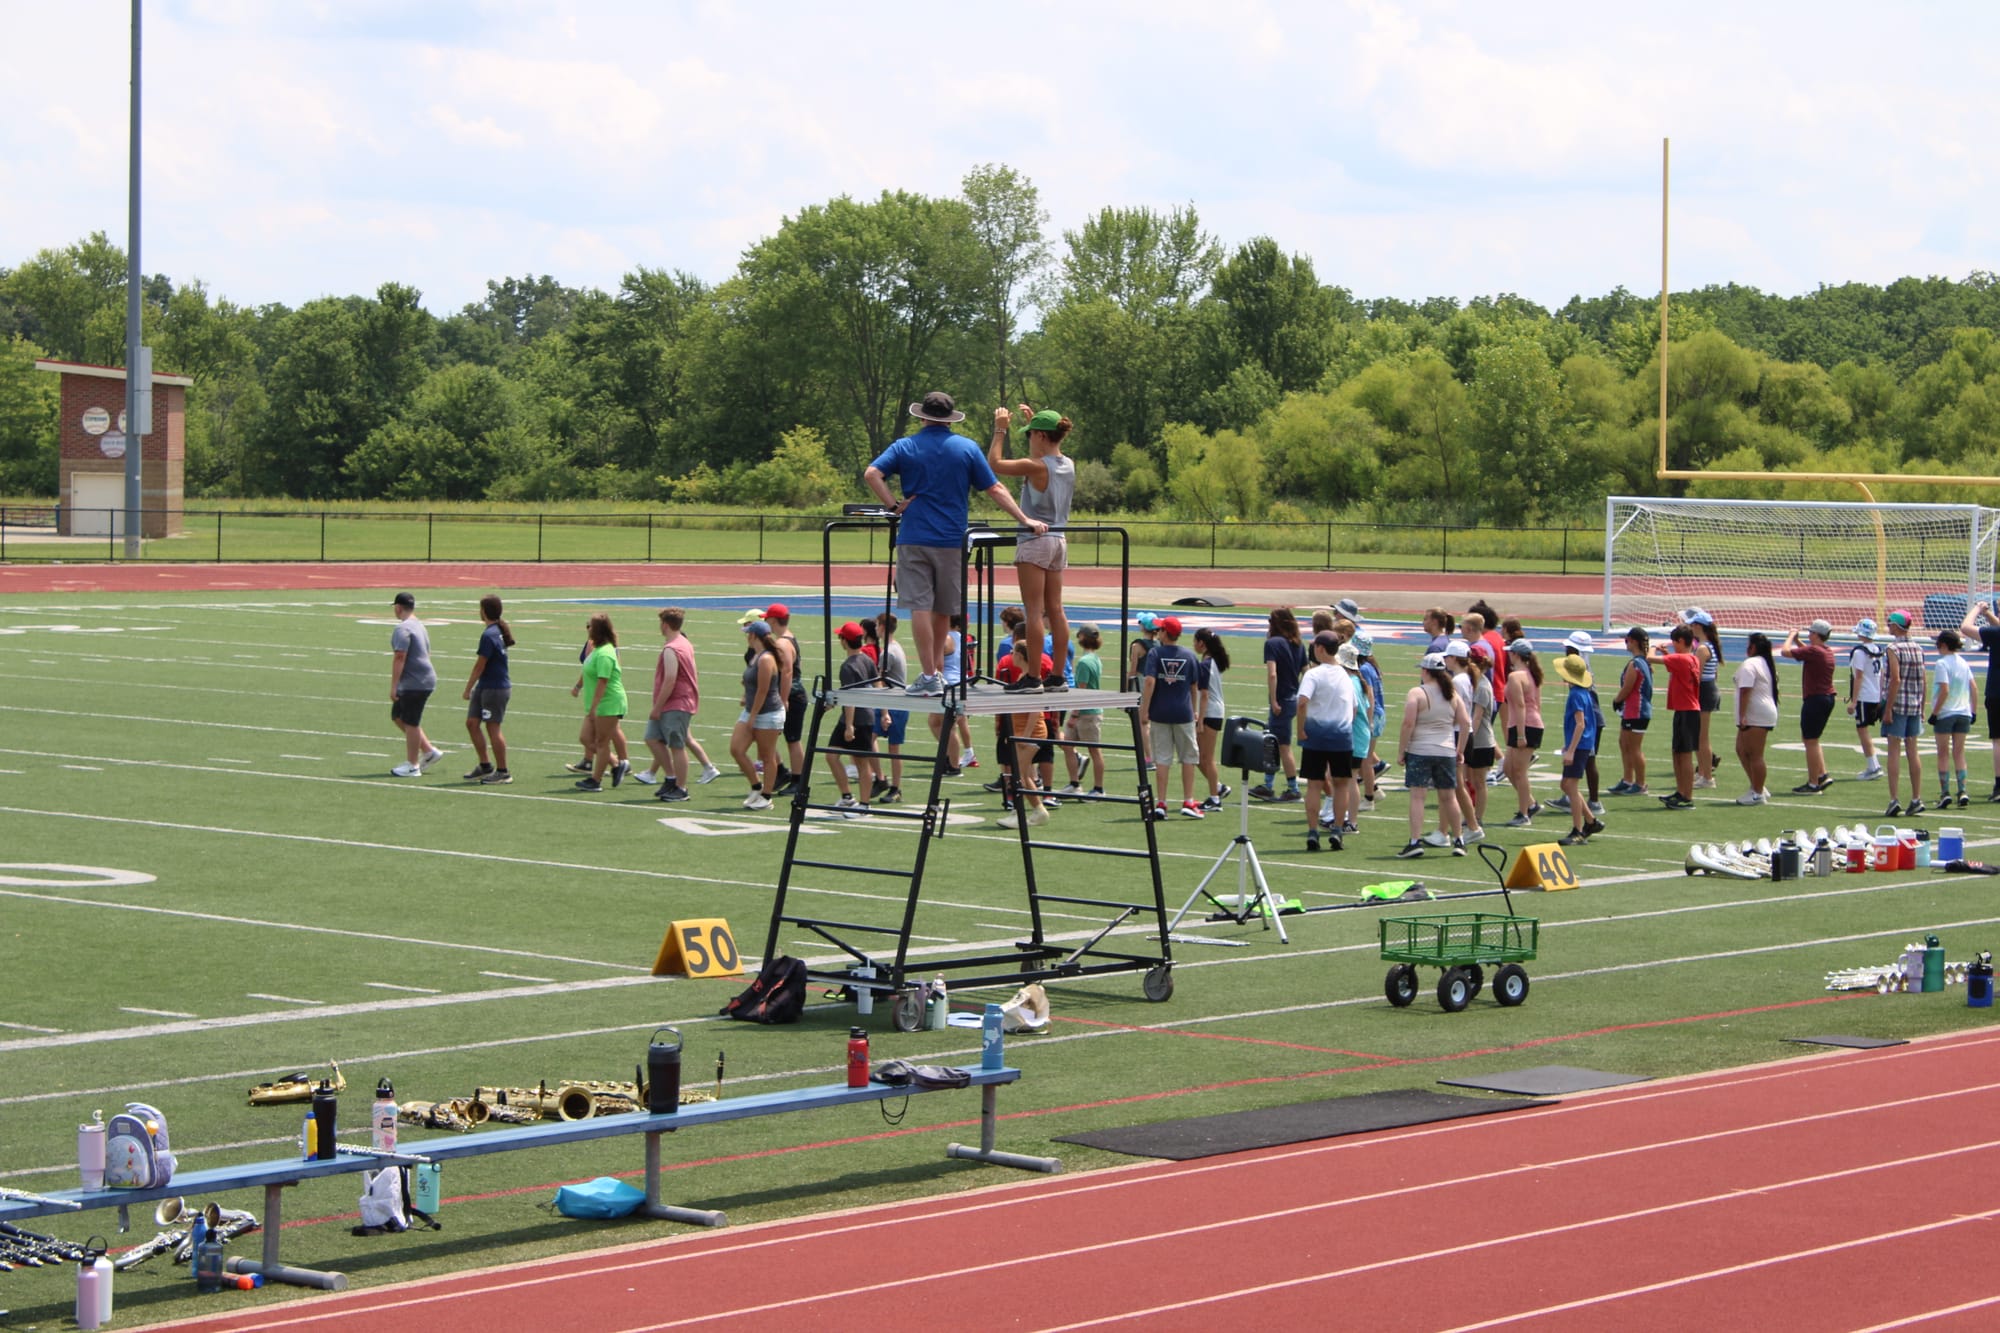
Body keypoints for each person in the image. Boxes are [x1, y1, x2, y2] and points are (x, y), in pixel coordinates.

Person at [864, 391, 1047, 696]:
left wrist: (894, 505)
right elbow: (995, 487)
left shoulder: (906, 445)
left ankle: (928, 674)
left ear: (922, 416)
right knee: (943, 610)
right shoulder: (966, 447)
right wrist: (1024, 517)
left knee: (919, 607)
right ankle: (935, 671)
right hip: (952, 538)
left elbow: (872, 473)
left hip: (915, 536)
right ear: (950, 419)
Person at [988, 405, 1075, 694]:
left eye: (1031, 435)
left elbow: (995, 464)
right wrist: (1035, 424)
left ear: (1040, 436)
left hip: (1034, 540)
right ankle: (1058, 676)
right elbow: (1047, 453)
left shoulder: (1035, 465)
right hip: (1059, 540)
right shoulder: (1068, 463)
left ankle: (1034, 676)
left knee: (1034, 612)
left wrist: (1000, 428)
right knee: (1056, 610)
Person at [1396, 653, 1471, 858]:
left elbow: (1408, 723)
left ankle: (1414, 841)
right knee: (1448, 797)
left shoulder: (1417, 693)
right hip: (1445, 750)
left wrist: (1402, 750)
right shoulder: (1452, 694)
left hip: (1420, 750)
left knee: (1418, 797)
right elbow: (1465, 723)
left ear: (1426, 671)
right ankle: (1459, 840)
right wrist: (1460, 750)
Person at [1140, 616, 1205, 820]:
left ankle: (1161, 802)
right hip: (1183, 713)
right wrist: (1194, 711)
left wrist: (1144, 708)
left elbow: (1150, 681)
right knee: (1188, 758)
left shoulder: (1155, 653)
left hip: (1160, 712)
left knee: (1163, 759)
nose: (1158, 633)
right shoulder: (1189, 655)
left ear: (1165, 634)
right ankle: (1188, 800)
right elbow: (1194, 687)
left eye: (1160, 630)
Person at [1296, 630, 1356, 852]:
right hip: (1341, 735)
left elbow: (1302, 702)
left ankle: (1313, 831)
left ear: (1321, 648)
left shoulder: (1314, 674)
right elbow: (1354, 708)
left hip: (1316, 734)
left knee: (1314, 784)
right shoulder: (1345, 675)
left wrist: (1300, 729)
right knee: (1341, 785)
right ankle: (1338, 830)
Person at [642, 607, 700, 803]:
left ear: (665, 625)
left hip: (676, 703)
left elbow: (670, 680)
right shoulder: (684, 643)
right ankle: (670, 777)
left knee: (677, 745)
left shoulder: (671, 648)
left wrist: (658, 706)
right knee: (652, 738)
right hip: (675, 702)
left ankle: (681, 788)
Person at [825, 623, 882, 816]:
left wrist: (849, 726)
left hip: (858, 719)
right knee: (831, 755)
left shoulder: (848, 666)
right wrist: (884, 712)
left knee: (861, 763)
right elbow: (879, 685)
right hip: (859, 716)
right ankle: (848, 797)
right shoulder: (866, 659)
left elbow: (850, 699)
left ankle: (865, 804)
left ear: (844, 641)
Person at [387, 592, 444, 778]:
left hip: (415, 682)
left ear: (398, 607)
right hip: (422, 678)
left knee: (411, 721)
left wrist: (394, 685)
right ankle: (428, 751)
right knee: (398, 716)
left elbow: (399, 657)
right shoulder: (419, 624)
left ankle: (412, 765)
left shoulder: (403, 628)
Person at [1548, 631, 1604, 820]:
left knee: (1588, 762)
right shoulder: (1581, 667)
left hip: (1588, 724)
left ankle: (1592, 805)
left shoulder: (1579, 672)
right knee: (1581, 767)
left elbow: (1582, 716)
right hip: (1587, 722)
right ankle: (1580, 804)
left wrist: (1571, 747)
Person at [1252, 607, 1306, 802]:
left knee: (1281, 745)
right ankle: (1269, 783)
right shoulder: (1298, 644)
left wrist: (1274, 699)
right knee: (1275, 743)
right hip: (1294, 697)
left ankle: (1290, 788)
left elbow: (1272, 673)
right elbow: (1306, 671)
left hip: (1281, 699)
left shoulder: (1273, 643)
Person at [570, 613, 628, 792]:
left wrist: (594, 707)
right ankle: (616, 765)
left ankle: (596, 780)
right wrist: (578, 686)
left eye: (591, 626)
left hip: (608, 703)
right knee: (585, 738)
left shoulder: (605, 653)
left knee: (602, 742)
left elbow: (603, 682)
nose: (588, 628)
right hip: (598, 704)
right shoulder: (597, 649)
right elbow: (587, 669)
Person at [731, 619, 785, 810]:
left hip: (768, 713)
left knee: (766, 756)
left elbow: (763, 690)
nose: (746, 636)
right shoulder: (756, 656)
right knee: (736, 749)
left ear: (754, 636)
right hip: (751, 710)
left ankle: (767, 797)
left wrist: (753, 716)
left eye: (748, 633)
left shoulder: (765, 659)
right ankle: (756, 785)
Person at [459, 594, 513, 784]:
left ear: (484, 611)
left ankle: (503, 771)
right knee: (472, 723)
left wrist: (467, 688)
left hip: (495, 688)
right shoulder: (495, 631)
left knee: (493, 728)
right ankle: (484, 765)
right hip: (486, 686)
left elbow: (480, 665)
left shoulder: (489, 634)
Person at [1648, 625, 1702, 809]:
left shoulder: (1682, 658)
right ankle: (1681, 791)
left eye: (1674, 642)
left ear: (1680, 641)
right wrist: (1668, 653)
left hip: (1687, 711)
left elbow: (1649, 658)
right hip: (1686, 710)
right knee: (1677, 753)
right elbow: (1675, 666)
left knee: (1684, 755)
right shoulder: (1691, 658)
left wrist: (1653, 648)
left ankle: (1687, 796)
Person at [1782, 620, 1838, 794]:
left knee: (1811, 740)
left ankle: (1813, 783)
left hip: (1816, 699)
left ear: (1816, 634)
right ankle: (1822, 774)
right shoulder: (1825, 651)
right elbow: (1806, 651)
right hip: (1825, 698)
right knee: (1811, 740)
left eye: (1811, 632)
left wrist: (1791, 636)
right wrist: (1799, 642)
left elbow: (1785, 652)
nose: (1808, 634)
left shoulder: (1815, 651)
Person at [1553, 652, 1602, 845]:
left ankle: (1578, 830)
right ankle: (1590, 821)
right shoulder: (1584, 692)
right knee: (1566, 785)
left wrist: (1571, 750)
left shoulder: (1575, 695)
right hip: (1582, 743)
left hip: (1581, 745)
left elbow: (1580, 724)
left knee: (1570, 786)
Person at [1883, 610, 1928, 816]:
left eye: (1890, 623)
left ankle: (1894, 799)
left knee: (1894, 751)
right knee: (1912, 750)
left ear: (1897, 626)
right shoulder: (1918, 648)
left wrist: (1888, 707)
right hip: (1915, 704)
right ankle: (1916, 797)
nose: (1888, 626)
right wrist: (1922, 707)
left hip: (1899, 703)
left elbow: (1895, 679)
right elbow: (1924, 679)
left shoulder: (1893, 648)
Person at [1059, 624, 1108, 799]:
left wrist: (1074, 715)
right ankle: (1074, 784)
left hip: (1087, 713)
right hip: (1089, 711)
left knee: (1094, 750)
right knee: (1067, 745)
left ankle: (1098, 788)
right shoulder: (1094, 658)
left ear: (1082, 637)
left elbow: (1082, 690)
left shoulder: (1084, 662)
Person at [1930, 628, 1977, 808]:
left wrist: (1935, 712)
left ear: (1943, 645)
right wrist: (1973, 711)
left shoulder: (1942, 663)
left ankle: (1945, 793)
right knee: (1959, 753)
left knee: (1943, 754)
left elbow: (1944, 690)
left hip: (1946, 712)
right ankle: (1962, 790)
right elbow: (1973, 688)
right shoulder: (1963, 662)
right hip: (1963, 712)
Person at [1732, 631, 1780, 805]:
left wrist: (1743, 715)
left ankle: (1757, 793)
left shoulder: (1750, 664)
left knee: (1755, 754)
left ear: (1752, 647)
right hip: (1758, 713)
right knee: (1741, 750)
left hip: (1756, 714)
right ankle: (1757, 785)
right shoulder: (1763, 663)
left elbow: (1746, 690)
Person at [1457, 641, 1497, 842]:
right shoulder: (1474, 683)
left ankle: (1477, 818)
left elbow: (1477, 717)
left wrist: (1464, 737)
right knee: (1469, 780)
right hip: (1475, 739)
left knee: (1479, 782)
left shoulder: (1482, 686)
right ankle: (1470, 815)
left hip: (1481, 741)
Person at [1960, 602, 2000, 800]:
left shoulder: (1996, 634)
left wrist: (1977, 608)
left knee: (1998, 740)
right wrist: (1990, 614)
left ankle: (1999, 786)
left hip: (1997, 691)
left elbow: (1965, 628)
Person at [1502, 638, 1544, 827]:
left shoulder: (1516, 676)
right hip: (1523, 724)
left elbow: (1520, 705)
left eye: (1510, 652)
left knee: (1519, 772)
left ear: (1516, 654)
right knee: (1508, 769)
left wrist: (1520, 734)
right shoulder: (1530, 674)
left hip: (1524, 725)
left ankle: (1523, 813)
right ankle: (1530, 803)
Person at [1607, 628, 1652, 796]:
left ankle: (1640, 784)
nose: (1625, 644)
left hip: (1637, 710)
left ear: (1633, 641)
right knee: (1624, 743)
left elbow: (1628, 687)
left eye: (1627, 640)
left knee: (1634, 748)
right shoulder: (1641, 662)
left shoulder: (1636, 664)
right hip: (1631, 710)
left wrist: (1617, 700)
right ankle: (1627, 780)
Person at [1682, 609, 1723, 789]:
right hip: (1707, 689)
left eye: (1692, 625)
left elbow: (1695, 675)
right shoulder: (1707, 646)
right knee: (1700, 736)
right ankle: (1703, 774)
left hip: (1703, 691)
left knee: (1701, 737)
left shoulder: (1703, 648)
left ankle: (1707, 777)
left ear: (1698, 626)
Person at [1192, 627, 1232, 811]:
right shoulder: (1212, 661)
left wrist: (1199, 720)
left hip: (1210, 713)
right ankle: (1218, 788)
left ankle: (1215, 798)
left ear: (1202, 643)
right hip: (1213, 711)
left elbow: (1205, 694)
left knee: (1206, 758)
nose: (1194, 645)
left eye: (1195, 641)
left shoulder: (1206, 664)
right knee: (1199, 757)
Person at [1845, 618, 1888, 782]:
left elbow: (1859, 677)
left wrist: (1854, 701)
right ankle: (1873, 765)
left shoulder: (1859, 652)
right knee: (1864, 729)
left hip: (1865, 695)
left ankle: (1873, 766)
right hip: (1876, 694)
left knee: (1862, 730)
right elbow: (1881, 674)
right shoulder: (1877, 649)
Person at [875, 611, 910, 803]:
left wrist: (884, 712)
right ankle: (882, 779)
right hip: (897, 701)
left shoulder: (887, 652)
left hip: (894, 703)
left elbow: (881, 682)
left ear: (882, 626)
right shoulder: (895, 647)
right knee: (873, 739)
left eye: (877, 625)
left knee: (892, 748)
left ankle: (891, 785)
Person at [1353, 632, 1386, 788]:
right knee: (1364, 758)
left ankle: (1370, 795)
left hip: (1373, 715)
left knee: (1365, 759)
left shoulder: (1364, 668)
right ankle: (1371, 791)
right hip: (1378, 714)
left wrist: (1368, 720)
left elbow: (1370, 696)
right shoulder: (1371, 666)